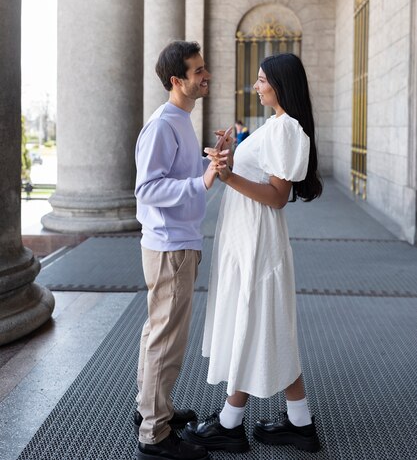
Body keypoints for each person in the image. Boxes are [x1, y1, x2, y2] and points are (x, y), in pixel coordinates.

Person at [183, 53, 323, 454]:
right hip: (249, 237)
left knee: (254, 319)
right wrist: (231, 153)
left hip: (258, 239)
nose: (257, 85)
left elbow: (278, 197)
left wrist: (228, 175)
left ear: (280, 84)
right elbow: (262, 176)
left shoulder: (285, 128)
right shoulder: (277, 125)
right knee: (267, 322)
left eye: (262, 79)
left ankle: (230, 422)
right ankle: (299, 422)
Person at [134, 41, 228, 460]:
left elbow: (181, 177)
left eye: (204, 68)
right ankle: (154, 436)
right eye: (198, 71)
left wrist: (214, 160)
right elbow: (148, 188)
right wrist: (201, 181)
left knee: (158, 333)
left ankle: (152, 411)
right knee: (166, 340)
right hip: (170, 247)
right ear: (177, 80)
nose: (206, 76)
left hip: (175, 242)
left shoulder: (180, 119)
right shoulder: (163, 124)